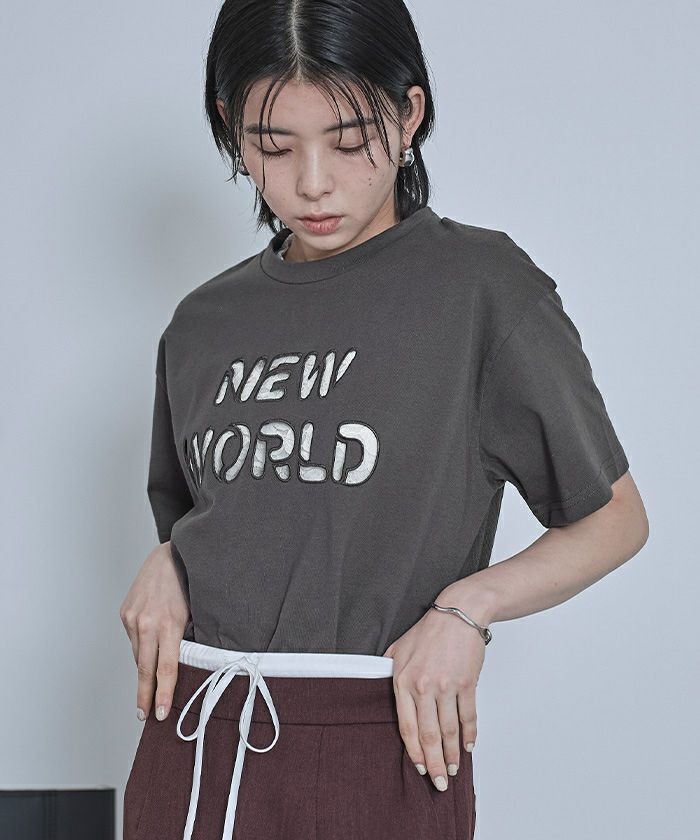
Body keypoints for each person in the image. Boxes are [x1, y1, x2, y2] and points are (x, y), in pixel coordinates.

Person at [120, 1, 649, 838]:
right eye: (273, 146)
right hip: (188, 737)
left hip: (378, 741)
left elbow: (614, 519)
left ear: (408, 115)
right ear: (231, 130)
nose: (313, 183)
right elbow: (219, 518)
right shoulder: (202, 323)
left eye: (349, 140)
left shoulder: (480, 290)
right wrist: (168, 560)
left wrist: (466, 609)